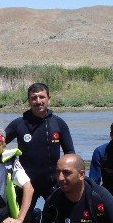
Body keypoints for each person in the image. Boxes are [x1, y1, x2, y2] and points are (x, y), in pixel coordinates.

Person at [5, 83, 75, 211]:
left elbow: (70, 153)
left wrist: (69, 178)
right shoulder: (19, 124)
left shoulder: (58, 123)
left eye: (42, 97)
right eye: (34, 98)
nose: (38, 101)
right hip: (26, 184)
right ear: (29, 101)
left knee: (60, 222)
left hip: (53, 183)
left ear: (49, 99)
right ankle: (35, 217)